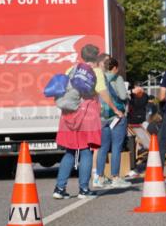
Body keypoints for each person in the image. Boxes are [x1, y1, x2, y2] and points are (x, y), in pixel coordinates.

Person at [53, 44, 124, 199]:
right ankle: (83, 189)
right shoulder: (96, 72)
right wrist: (116, 109)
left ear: (82, 55)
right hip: (87, 116)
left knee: (70, 152)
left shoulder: (71, 69)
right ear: (96, 57)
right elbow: (103, 93)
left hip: (69, 115)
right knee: (86, 151)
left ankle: (59, 188)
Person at [94, 57, 129, 189]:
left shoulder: (100, 78)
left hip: (102, 116)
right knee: (116, 147)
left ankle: (100, 177)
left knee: (103, 147)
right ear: (114, 67)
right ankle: (115, 177)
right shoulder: (117, 78)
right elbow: (123, 96)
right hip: (117, 115)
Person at [126, 84, 151, 178]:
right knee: (135, 144)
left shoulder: (138, 97)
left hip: (134, 122)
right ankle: (134, 165)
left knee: (134, 144)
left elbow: (135, 104)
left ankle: (133, 166)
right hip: (137, 123)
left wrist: (133, 93)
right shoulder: (143, 96)